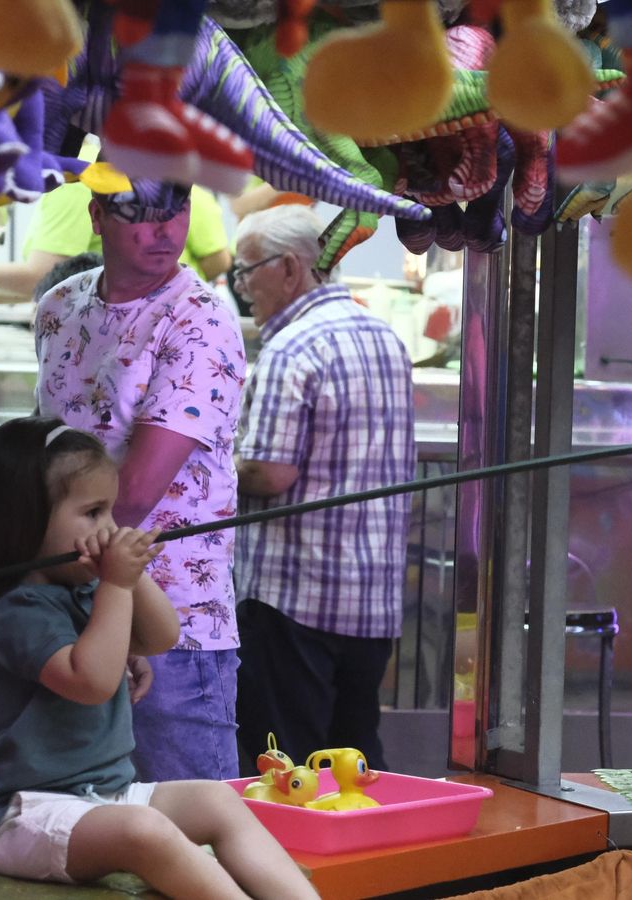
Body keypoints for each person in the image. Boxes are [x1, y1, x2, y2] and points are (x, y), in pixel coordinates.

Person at [0, 417, 315, 899]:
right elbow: (91, 681)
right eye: (93, 512)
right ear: (25, 518)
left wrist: (129, 576)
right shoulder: (15, 609)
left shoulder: (86, 588)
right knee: (145, 832)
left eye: (112, 512)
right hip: (21, 814)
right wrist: (116, 582)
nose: (111, 528)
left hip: (102, 797)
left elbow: (161, 636)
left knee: (216, 799)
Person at [35, 179, 247, 782]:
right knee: (78, 819)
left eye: (175, 212)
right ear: (96, 215)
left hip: (166, 618)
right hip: (62, 602)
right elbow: (45, 445)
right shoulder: (60, 305)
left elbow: (131, 495)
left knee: (194, 831)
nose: (163, 231)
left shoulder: (200, 321)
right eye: (140, 216)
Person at [232, 205, 417, 770]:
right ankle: (364, 861)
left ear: (290, 268)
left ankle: (290, 863)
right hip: (371, 600)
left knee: (282, 770)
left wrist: (211, 461)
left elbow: (270, 472)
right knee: (352, 770)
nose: (241, 288)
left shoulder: (293, 348)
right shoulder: (384, 337)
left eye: (246, 271)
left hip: (295, 599)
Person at [0, 180, 231, 319]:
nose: (163, 231)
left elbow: (42, 276)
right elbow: (63, 281)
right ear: (98, 217)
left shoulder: (75, 186)